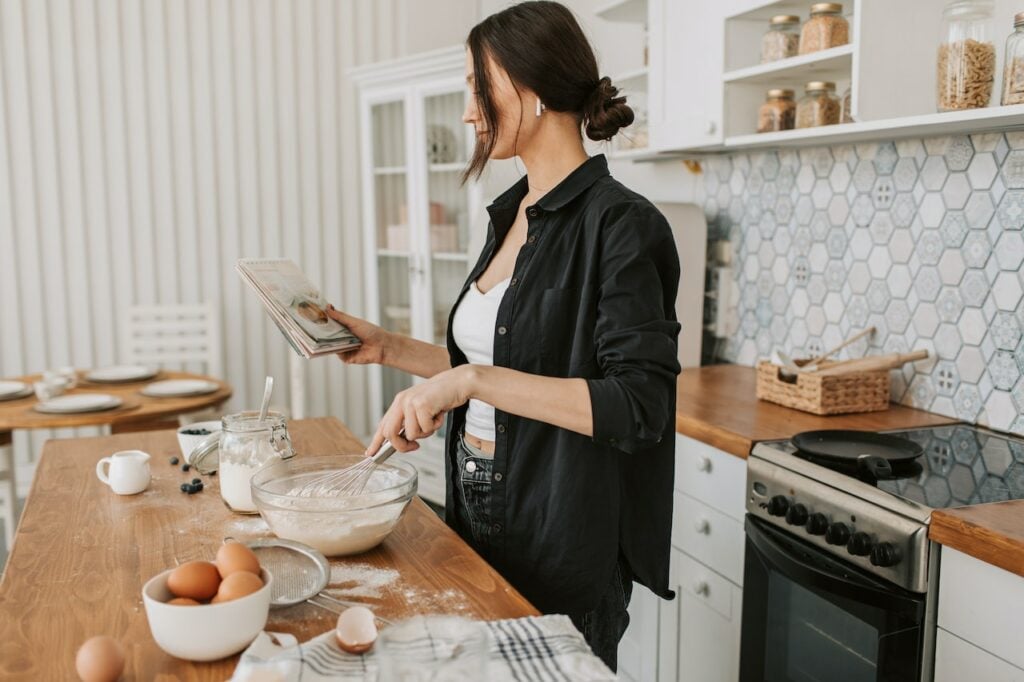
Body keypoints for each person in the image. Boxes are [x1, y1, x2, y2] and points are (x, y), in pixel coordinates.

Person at [327, 1, 681, 670]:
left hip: (563, 523)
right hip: (477, 503)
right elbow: (510, 361)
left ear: (534, 87)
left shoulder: (625, 227)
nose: (468, 111)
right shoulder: (510, 215)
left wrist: (469, 380)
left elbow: (638, 409)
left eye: (475, 86)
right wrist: (388, 348)